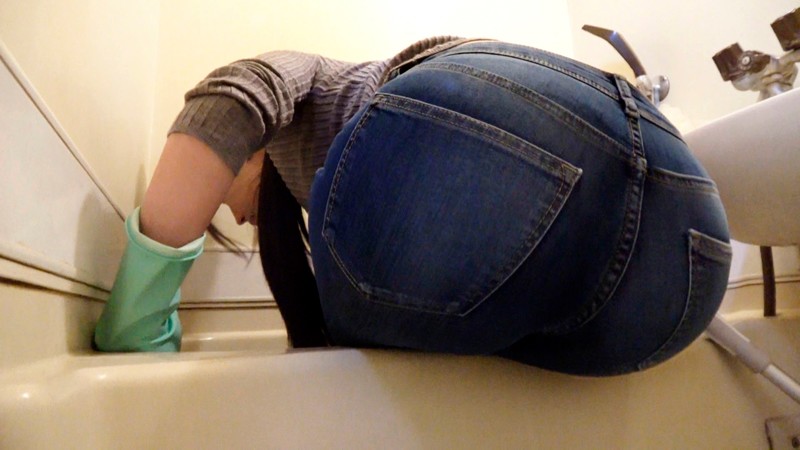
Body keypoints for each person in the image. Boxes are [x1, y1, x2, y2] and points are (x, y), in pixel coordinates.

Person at [93, 37, 732, 376]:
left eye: (221, 205)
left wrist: (136, 326)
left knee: (349, 344)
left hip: (461, 117)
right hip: (684, 261)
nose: (233, 217)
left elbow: (228, 100)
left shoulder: (311, 80)